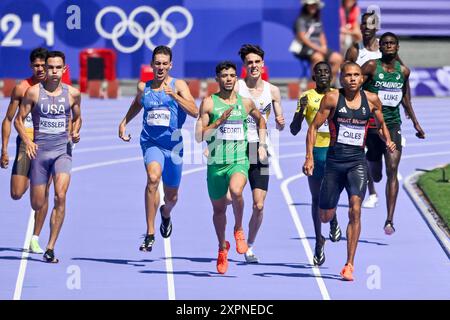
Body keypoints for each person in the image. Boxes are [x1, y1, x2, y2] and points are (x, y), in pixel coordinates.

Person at [303, 61, 396, 281]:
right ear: (341, 78)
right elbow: (314, 127)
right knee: (324, 216)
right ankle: (331, 219)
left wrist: (388, 140)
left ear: (362, 78)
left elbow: (381, 124)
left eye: (357, 75)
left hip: (357, 163)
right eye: (348, 75)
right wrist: (309, 157)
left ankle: (349, 264)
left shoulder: (372, 99)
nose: (353, 78)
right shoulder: (333, 98)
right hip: (334, 163)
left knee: (355, 209)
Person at [119, 45, 198, 252]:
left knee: (171, 197)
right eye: (157, 64)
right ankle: (150, 233)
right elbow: (138, 103)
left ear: (170, 65)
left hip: (174, 147)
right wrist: (124, 121)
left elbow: (195, 111)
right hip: (151, 143)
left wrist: (175, 96)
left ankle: (165, 214)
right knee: (153, 179)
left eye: (165, 64)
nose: (161, 67)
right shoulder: (143, 87)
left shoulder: (178, 84)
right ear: (152, 65)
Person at [195, 61, 267, 274]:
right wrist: (218, 123)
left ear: (236, 78)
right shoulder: (209, 103)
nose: (228, 79)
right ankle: (221, 248)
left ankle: (238, 228)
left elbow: (261, 121)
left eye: (232, 75)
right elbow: (199, 137)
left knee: (236, 191)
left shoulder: (245, 103)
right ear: (217, 79)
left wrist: (261, 145)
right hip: (216, 164)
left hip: (239, 160)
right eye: (224, 75)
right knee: (218, 211)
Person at [14, 51, 82, 263]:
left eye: (57, 68)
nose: (52, 71)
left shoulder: (73, 94)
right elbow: (18, 120)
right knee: (37, 203)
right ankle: (38, 219)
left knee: (60, 196)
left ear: (64, 69)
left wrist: (76, 131)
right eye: (50, 67)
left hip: (63, 151)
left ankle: (51, 246)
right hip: (40, 153)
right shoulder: (33, 93)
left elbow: (78, 118)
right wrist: (28, 142)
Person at [361, 32, 425, 234]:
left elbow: (406, 99)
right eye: (385, 43)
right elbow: (354, 87)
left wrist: (416, 123)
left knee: (393, 170)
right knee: (377, 174)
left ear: (397, 48)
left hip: (393, 124)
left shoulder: (403, 71)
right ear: (380, 47)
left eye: (392, 44)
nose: (388, 46)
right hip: (372, 126)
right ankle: (373, 172)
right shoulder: (371, 67)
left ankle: (389, 220)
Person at [235, 44, 285, 263]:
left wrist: (281, 122)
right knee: (229, 198)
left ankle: (250, 246)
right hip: (235, 148)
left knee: (259, 205)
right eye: (249, 62)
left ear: (263, 64)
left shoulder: (272, 90)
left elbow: (280, 122)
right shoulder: (236, 87)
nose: (253, 66)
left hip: (259, 148)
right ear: (244, 66)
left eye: (257, 62)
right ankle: (236, 230)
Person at [290, 61, 341, 266]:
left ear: (331, 75)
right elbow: (294, 130)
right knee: (316, 197)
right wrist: (300, 113)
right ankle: (319, 241)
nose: (322, 75)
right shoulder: (307, 98)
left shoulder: (340, 95)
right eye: (318, 72)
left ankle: (334, 218)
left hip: (336, 151)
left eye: (326, 72)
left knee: (334, 191)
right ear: (314, 77)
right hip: (316, 152)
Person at [1, 48, 51, 254]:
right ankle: (31, 177)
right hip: (25, 143)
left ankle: (36, 238)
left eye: (43, 65)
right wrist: (4, 149)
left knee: (43, 195)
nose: (40, 69)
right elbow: (8, 120)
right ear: (31, 66)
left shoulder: (55, 88)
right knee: (16, 192)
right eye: (36, 65)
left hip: (48, 145)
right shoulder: (21, 88)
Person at [345, 11, 382, 208]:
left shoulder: (384, 49)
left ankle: (375, 179)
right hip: (359, 107)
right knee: (360, 151)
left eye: (370, 26)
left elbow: (399, 74)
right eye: (364, 26)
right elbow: (344, 75)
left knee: (378, 170)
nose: (366, 29)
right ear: (360, 28)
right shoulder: (354, 51)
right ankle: (372, 193)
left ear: (376, 28)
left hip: (382, 109)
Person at [292, 0, 343, 85]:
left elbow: (321, 34)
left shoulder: (317, 20)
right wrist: (319, 49)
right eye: (311, 5)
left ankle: (330, 85)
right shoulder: (301, 20)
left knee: (337, 58)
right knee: (318, 58)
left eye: (315, 5)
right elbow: (303, 38)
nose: (313, 7)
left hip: (319, 48)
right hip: (305, 48)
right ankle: (315, 85)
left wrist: (324, 46)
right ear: (306, 6)